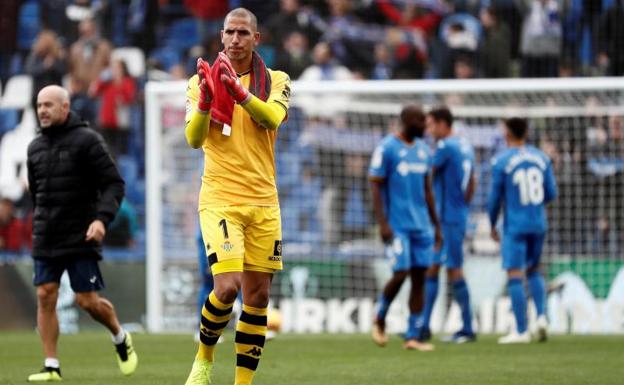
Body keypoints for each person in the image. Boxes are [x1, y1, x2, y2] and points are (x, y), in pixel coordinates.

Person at [182, 8, 291, 385]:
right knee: (227, 288)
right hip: (221, 198)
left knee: (258, 298)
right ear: (221, 35)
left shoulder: (276, 80)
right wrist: (206, 102)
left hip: (263, 201)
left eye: (243, 33)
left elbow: (272, 119)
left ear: (256, 38)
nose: (235, 40)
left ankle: (242, 383)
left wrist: (239, 93)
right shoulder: (201, 82)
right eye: (229, 32)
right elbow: (195, 139)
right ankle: (204, 359)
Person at [26, 85, 137, 381]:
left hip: (81, 235)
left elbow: (114, 184)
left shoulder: (88, 141)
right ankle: (51, 365)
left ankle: (119, 335)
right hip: (46, 235)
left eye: (49, 105)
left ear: (65, 107)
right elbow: (37, 194)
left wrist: (101, 220)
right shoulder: (34, 147)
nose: (43, 110)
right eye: (39, 105)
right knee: (45, 294)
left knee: (86, 302)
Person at [369, 104, 442, 351]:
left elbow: (428, 191)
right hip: (397, 226)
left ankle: (412, 336)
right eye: (422, 121)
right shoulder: (387, 148)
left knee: (420, 277)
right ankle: (380, 317)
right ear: (408, 121)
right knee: (401, 273)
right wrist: (382, 223)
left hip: (422, 226)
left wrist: (437, 225)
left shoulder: (424, 151)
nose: (425, 126)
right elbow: (376, 186)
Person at [488, 117, 557, 344]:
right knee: (535, 270)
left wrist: (491, 223)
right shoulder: (542, 158)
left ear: (507, 134)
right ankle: (541, 317)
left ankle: (521, 330)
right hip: (538, 222)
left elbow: (494, 199)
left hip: (515, 225)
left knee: (515, 275)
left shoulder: (501, 161)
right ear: (526, 133)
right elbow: (551, 193)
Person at [419, 106, 476, 344]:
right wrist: (462, 205)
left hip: (447, 218)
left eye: (431, 125)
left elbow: (425, 173)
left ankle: (467, 328)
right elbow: (472, 181)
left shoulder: (444, 147)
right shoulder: (465, 145)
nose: (429, 130)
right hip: (456, 214)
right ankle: (423, 326)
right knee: (433, 267)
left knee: (454, 270)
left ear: (443, 124)